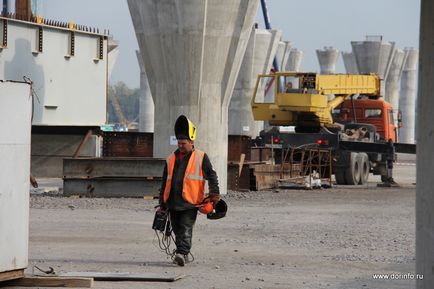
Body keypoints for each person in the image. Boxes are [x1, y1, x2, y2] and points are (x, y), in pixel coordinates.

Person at [159, 115, 220, 267]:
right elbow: (164, 181)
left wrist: (214, 195)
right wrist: (162, 202)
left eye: (183, 143)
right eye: (179, 143)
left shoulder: (201, 157)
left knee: (185, 228)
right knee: (177, 229)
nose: (180, 145)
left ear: (191, 142)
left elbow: (212, 175)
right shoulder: (170, 159)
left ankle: (182, 252)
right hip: (172, 202)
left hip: (190, 202)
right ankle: (182, 253)